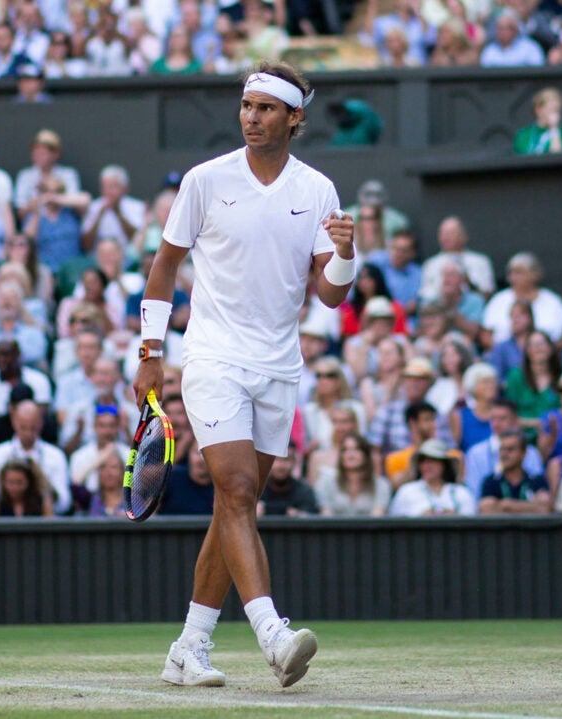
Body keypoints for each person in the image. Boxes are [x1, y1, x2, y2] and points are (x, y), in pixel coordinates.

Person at [133, 61, 356, 688]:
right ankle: (273, 633)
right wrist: (151, 352)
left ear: (294, 118)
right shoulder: (205, 180)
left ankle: (189, 646)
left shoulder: (318, 190)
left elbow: (332, 296)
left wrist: (344, 252)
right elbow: (165, 265)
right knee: (232, 493)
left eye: (265, 108)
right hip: (212, 357)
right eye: (246, 107)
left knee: (236, 508)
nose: (251, 117)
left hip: (278, 367)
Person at [0, 400, 71, 515]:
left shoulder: (56, 456)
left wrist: (42, 481)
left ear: (41, 423)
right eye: (23, 428)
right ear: (14, 422)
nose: (28, 434)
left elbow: (64, 504)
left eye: (33, 428)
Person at [481, 252, 562, 349]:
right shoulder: (498, 300)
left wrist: (551, 352)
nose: (513, 277)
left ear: (535, 274)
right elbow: (485, 335)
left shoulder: (553, 301)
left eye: (519, 272)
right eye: (511, 273)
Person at [463, 399, 545, 502]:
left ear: (515, 421)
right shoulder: (475, 453)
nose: (496, 424)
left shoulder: (531, 452)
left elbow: (536, 489)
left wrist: (507, 506)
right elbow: (474, 494)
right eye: (493, 419)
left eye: (502, 419)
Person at [388, 438, 474, 516]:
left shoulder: (461, 493)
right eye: (422, 462)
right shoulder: (406, 492)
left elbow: (471, 522)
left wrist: (453, 516)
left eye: (431, 461)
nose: (426, 466)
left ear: (444, 464)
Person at [419, 215, 495, 303]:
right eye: (442, 234)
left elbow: (488, 293)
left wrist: (469, 284)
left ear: (464, 236)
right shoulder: (430, 264)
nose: (446, 238)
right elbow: (424, 296)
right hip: (440, 310)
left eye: (450, 233)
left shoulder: (481, 261)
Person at [0, 338, 52, 424]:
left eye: (5, 355)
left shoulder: (39, 380)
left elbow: (42, 416)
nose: (1, 360)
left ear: (17, 355)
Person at [314, 432, 392, 516]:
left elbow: (377, 518)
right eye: (345, 450)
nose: (350, 455)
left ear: (366, 455)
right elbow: (326, 518)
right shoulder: (326, 483)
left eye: (356, 449)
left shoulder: (381, 485)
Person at [478, 430, 551, 514]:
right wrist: (529, 506)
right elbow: (486, 509)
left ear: (523, 453)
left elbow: (544, 508)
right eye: (502, 449)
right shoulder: (491, 482)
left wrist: (507, 505)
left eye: (510, 449)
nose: (504, 454)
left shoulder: (537, 481)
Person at [79, 165, 145, 255]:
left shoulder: (137, 207)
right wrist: (99, 215)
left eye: (113, 187)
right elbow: (85, 244)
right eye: (105, 187)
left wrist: (117, 212)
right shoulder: (93, 207)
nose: (108, 191)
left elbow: (136, 239)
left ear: (125, 188)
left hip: (127, 260)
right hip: (97, 260)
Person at [384, 400, 439, 489]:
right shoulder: (395, 459)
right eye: (427, 419)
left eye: (433, 419)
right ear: (412, 423)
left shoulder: (452, 455)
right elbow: (395, 486)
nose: (433, 425)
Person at [257, 443, 319, 516]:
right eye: (276, 459)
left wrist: (299, 516)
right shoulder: (257, 490)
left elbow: (314, 518)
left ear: (294, 461)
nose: (281, 465)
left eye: (286, 459)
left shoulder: (304, 491)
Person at [513, 87, 562, 155]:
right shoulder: (523, 135)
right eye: (551, 109)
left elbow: (557, 156)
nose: (555, 115)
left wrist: (554, 127)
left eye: (557, 110)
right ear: (538, 110)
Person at [480, 9, 545, 67]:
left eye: (506, 28)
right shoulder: (490, 50)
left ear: (515, 30)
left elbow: (537, 74)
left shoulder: (530, 48)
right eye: (499, 28)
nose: (502, 32)